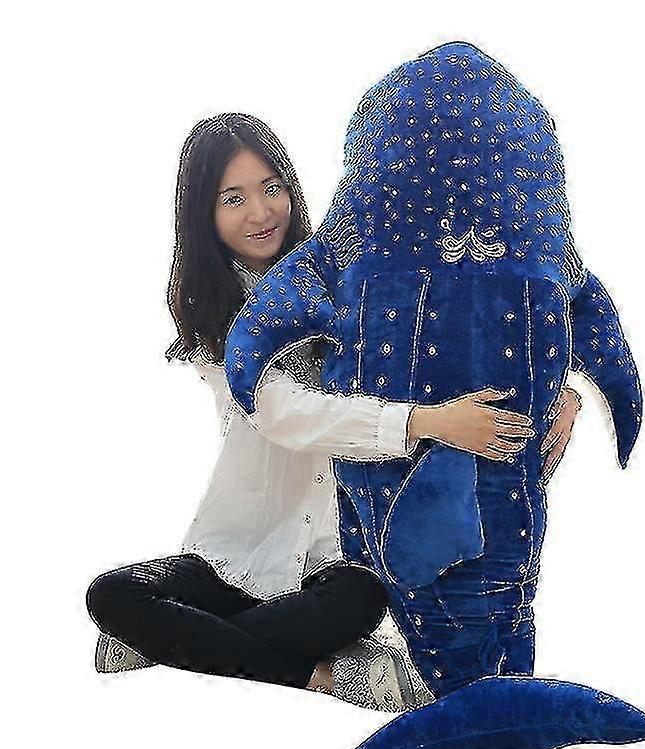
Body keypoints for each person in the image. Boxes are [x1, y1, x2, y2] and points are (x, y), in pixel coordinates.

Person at [86, 113, 581, 711]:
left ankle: (173, 645)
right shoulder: (218, 321)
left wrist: (561, 387)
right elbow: (284, 413)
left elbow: (454, 323)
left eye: (271, 188)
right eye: (233, 198)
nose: (260, 211)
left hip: (328, 564)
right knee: (111, 596)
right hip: (230, 557)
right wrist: (423, 421)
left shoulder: (346, 277)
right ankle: (320, 676)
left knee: (359, 601)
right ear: (204, 215)